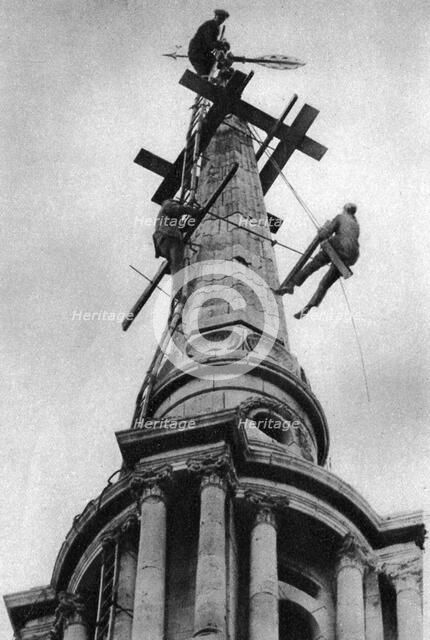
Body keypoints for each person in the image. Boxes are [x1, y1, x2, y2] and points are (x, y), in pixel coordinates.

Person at [279, 203, 360, 318]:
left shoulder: (340, 217)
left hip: (337, 247)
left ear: (345, 210)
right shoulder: (356, 225)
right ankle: (309, 307)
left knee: (312, 266)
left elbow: (325, 233)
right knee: (324, 284)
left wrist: (322, 231)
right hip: (350, 257)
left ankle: (292, 285)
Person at [153, 199, 199, 277]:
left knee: (175, 264)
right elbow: (178, 209)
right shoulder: (168, 204)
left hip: (163, 242)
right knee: (177, 265)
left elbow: (181, 228)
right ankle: (178, 284)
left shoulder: (167, 218)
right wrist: (193, 210)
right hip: (169, 237)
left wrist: (192, 218)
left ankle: (177, 282)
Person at [188, 10, 230, 77]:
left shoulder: (216, 28)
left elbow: (211, 48)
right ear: (216, 16)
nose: (221, 21)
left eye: (223, 20)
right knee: (204, 73)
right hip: (197, 51)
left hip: (203, 51)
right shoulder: (209, 25)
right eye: (220, 18)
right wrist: (220, 45)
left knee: (209, 69)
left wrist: (217, 54)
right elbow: (209, 43)